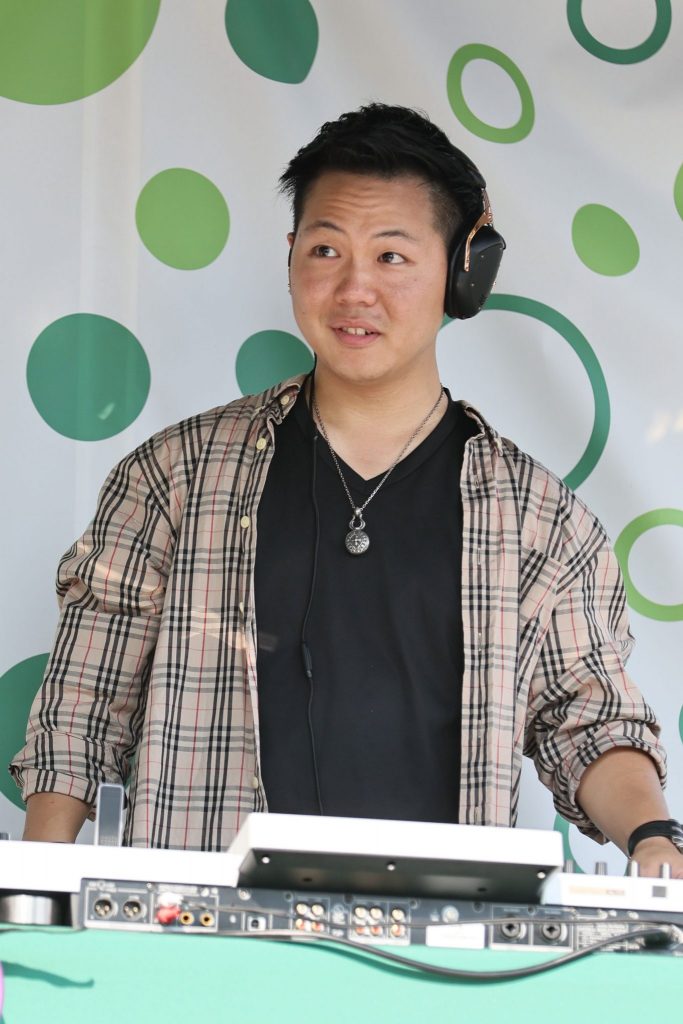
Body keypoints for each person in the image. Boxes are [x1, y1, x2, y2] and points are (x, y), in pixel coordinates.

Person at [11, 105, 683, 875]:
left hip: (446, 936)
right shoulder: (173, 475)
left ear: (462, 272)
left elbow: (588, 721)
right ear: (291, 256)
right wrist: (37, 892)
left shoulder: (540, 520)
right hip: (207, 931)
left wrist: (652, 838)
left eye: (392, 256)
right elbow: (83, 709)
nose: (354, 288)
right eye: (326, 249)